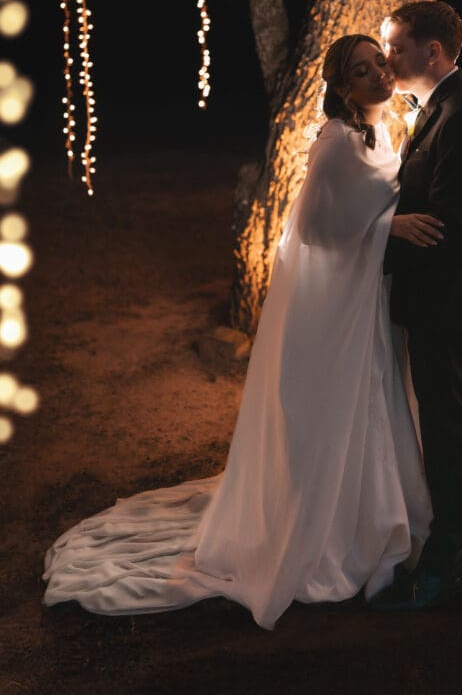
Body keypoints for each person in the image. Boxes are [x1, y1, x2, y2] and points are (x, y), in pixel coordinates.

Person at [42, 34, 440, 631]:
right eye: (363, 70)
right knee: (335, 409)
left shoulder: (386, 130)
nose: (380, 74)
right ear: (344, 88)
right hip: (331, 306)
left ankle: (367, 516)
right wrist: (391, 226)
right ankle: (323, 534)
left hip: (364, 302)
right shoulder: (334, 142)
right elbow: (315, 228)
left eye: (380, 63)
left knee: (369, 404)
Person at [370, 1, 462, 612]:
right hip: (432, 297)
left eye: (397, 46)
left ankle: (448, 559)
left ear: (433, 51)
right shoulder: (436, 111)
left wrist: (377, 235)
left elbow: (448, 225)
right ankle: (446, 535)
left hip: (448, 302)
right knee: (444, 416)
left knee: (449, 424)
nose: (387, 58)